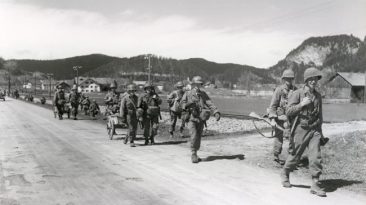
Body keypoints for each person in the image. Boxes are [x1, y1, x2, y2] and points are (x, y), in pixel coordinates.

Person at [280, 67, 326, 197]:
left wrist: (320, 132)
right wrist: (301, 105)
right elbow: (288, 111)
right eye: (311, 79)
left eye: (315, 79)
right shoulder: (298, 93)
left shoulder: (318, 96)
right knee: (295, 155)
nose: (313, 81)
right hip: (301, 128)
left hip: (314, 129)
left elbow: (320, 115)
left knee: (315, 155)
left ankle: (315, 183)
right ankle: (285, 172)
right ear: (306, 80)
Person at [181, 76, 221, 163]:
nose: (197, 86)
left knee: (198, 137)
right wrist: (188, 104)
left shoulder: (203, 94)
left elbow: (210, 103)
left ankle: (195, 152)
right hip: (191, 118)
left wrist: (216, 112)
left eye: (199, 85)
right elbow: (182, 104)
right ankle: (193, 153)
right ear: (193, 84)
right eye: (196, 84)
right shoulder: (187, 94)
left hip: (201, 119)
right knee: (194, 135)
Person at [268, 69, 297, 164]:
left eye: (290, 79)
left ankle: (291, 158)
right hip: (280, 118)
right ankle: (276, 156)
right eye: (287, 79)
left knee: (292, 139)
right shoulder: (279, 90)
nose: (289, 81)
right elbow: (273, 106)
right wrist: (272, 120)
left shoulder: (296, 90)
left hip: (291, 119)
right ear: (283, 79)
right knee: (278, 138)